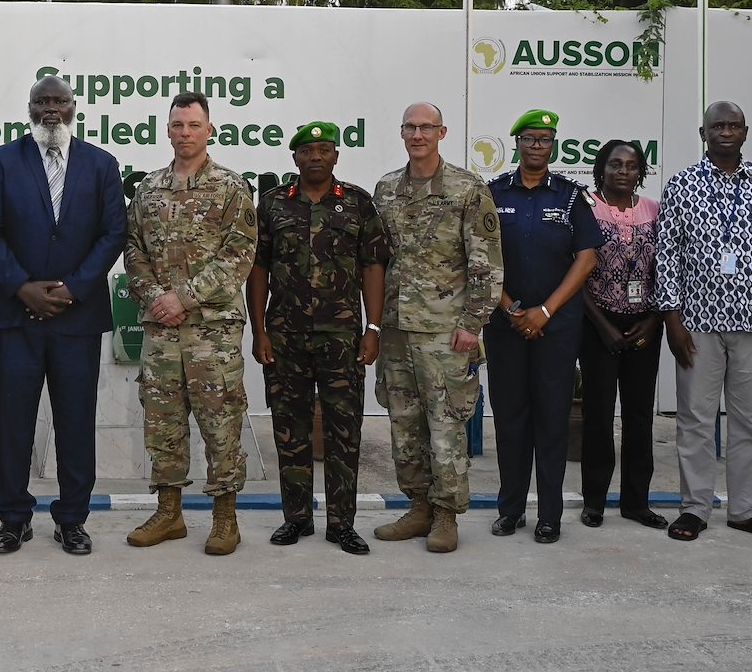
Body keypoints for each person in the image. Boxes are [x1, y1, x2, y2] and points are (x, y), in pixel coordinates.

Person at [0, 75, 126, 557]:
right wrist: (21, 286)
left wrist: (72, 289)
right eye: (43, 102)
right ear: (30, 108)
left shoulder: (101, 164)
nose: (51, 109)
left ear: (74, 106)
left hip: (75, 319)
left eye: (60, 101)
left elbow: (112, 233)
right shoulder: (2, 160)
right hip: (15, 317)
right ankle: (13, 519)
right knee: (12, 424)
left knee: (76, 423)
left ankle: (73, 519)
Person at [656, 100, 752, 543]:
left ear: (746, 132)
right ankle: (694, 509)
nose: (726, 131)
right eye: (717, 125)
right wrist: (672, 319)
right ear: (703, 133)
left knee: (750, 421)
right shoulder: (682, 185)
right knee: (696, 421)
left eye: (734, 125)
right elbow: (667, 257)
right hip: (697, 324)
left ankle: (746, 509)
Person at [123, 92, 258, 555]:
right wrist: (156, 298)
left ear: (209, 130)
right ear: (167, 130)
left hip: (212, 333)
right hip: (161, 331)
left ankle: (225, 518)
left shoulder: (230, 187)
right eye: (178, 124)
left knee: (221, 422)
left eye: (194, 125)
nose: (185, 133)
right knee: (162, 423)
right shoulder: (147, 189)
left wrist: (183, 297)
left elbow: (239, 255)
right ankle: (169, 514)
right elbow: (133, 252)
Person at [249, 121, 389, 556]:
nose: (315, 156)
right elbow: (258, 269)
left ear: (335, 157)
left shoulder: (358, 204)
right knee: (289, 430)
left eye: (324, 149)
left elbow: (373, 268)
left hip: (342, 339)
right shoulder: (272, 204)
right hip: (285, 337)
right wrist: (259, 331)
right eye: (306, 150)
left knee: (344, 432)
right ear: (294, 158)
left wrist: (373, 328)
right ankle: (296, 519)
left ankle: (342, 524)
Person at [371, 102, 501, 555]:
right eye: (410, 126)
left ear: (442, 132)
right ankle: (419, 507)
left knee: (446, 425)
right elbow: (378, 260)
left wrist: (473, 323)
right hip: (396, 331)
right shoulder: (386, 189)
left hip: (446, 333)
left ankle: (447, 515)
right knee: (404, 424)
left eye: (426, 127)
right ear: (401, 132)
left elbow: (485, 262)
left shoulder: (467, 188)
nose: (418, 134)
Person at [486, 109, 600, 544]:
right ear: (516, 143)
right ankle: (510, 509)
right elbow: (482, 257)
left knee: (552, 420)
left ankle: (549, 515)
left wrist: (546, 311)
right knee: (511, 418)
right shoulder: (492, 194)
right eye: (530, 139)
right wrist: (512, 309)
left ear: (554, 145)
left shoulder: (571, 197)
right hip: (505, 326)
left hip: (556, 328)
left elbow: (586, 257)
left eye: (545, 139)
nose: (537, 146)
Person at [577, 138, 666, 529]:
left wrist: (654, 319)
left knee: (639, 416)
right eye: (615, 164)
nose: (623, 172)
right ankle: (594, 501)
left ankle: (636, 501)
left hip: (645, 326)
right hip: (598, 325)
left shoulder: (654, 211)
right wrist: (605, 327)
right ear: (602, 168)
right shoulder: (584, 208)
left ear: (641, 171)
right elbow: (575, 273)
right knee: (597, 415)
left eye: (631, 165)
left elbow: (666, 271)